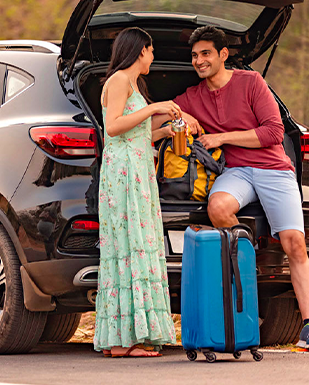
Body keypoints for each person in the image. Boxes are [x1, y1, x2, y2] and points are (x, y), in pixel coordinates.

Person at [173, 25, 309, 349]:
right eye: (194, 55)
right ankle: (246, 261)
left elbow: (274, 132)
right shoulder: (193, 96)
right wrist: (170, 116)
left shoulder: (252, 82)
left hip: (274, 168)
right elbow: (158, 118)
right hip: (236, 171)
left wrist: (222, 137)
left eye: (205, 53)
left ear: (222, 55)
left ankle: (308, 325)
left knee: (295, 245)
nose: (199, 60)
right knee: (217, 207)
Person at [94, 27, 179, 357]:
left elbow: (136, 133)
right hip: (124, 174)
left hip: (138, 172)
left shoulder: (132, 85)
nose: (153, 56)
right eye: (151, 50)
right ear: (140, 50)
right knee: (128, 246)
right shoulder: (117, 81)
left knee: (137, 244)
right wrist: (154, 107)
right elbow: (113, 126)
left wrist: (165, 129)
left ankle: (126, 337)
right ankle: (125, 340)